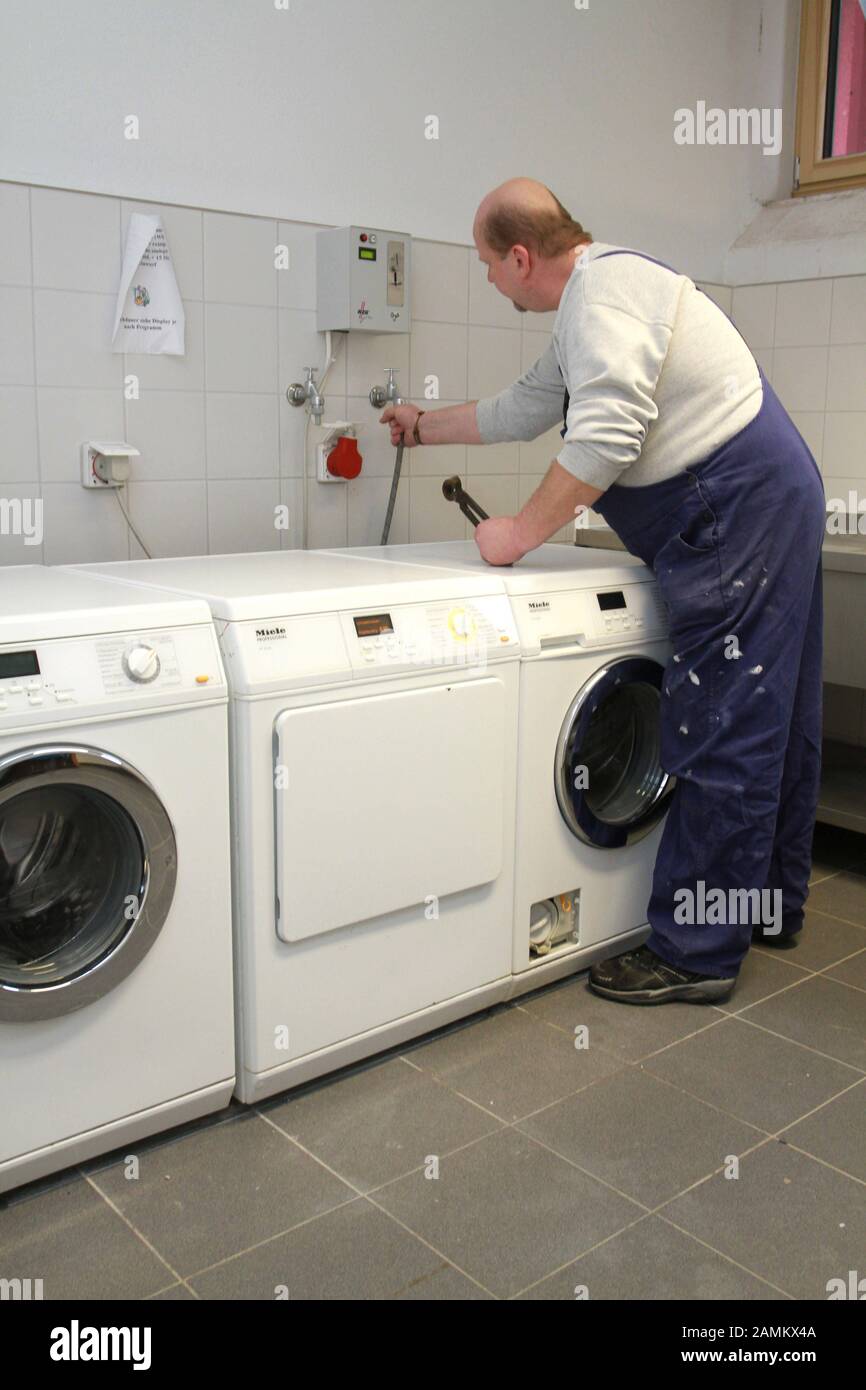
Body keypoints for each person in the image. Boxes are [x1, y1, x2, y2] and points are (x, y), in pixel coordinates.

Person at [380, 177, 826, 1006]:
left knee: (723, 723)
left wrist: (515, 533)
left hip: (736, 504)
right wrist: (424, 423)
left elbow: (610, 428)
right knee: (776, 711)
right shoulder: (604, 293)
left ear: (521, 257)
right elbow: (525, 409)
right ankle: (763, 905)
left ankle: (696, 953)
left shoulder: (598, 298)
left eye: (486, 264)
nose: (487, 280)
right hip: (769, 489)